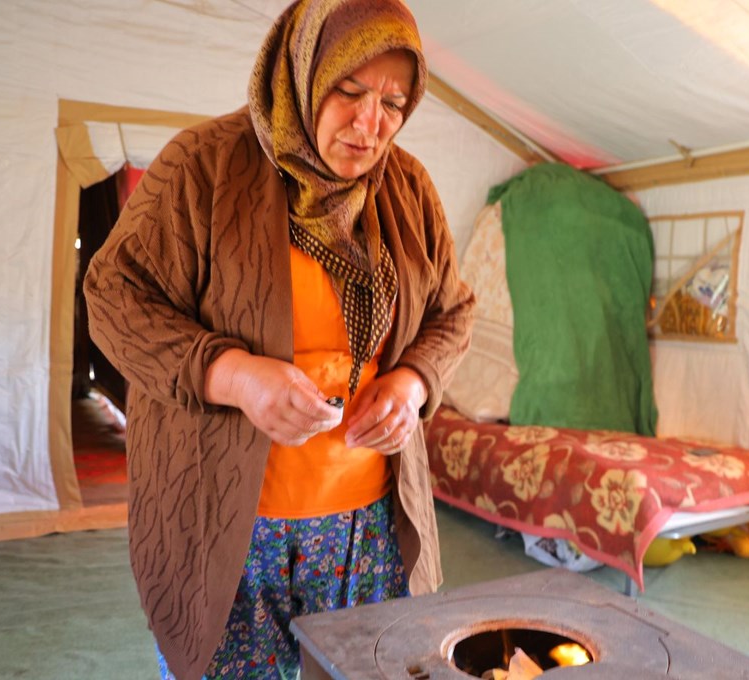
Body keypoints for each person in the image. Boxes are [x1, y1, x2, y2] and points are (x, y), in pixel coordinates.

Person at [83, 0, 474, 678]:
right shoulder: (202, 168)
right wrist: (234, 375)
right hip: (229, 525)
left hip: (367, 528)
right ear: (301, 72)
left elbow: (454, 312)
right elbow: (114, 299)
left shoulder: (406, 187)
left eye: (393, 101)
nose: (369, 123)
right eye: (348, 91)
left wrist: (411, 386)